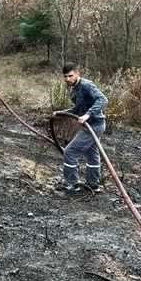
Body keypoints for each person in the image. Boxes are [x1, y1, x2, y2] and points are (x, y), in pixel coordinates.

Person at [53, 64, 108, 194]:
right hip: (91, 125)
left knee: (69, 152)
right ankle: (93, 185)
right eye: (65, 76)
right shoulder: (74, 88)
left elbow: (103, 99)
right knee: (92, 154)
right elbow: (77, 109)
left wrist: (88, 114)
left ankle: (72, 185)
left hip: (95, 125)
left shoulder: (86, 85)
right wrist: (61, 113)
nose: (67, 79)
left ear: (78, 74)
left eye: (70, 76)